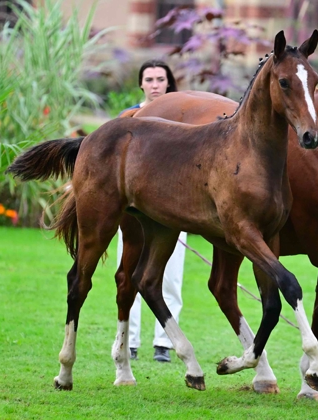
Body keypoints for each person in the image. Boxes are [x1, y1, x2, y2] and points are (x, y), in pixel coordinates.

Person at [117, 59, 186, 363]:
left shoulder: (183, 120)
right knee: (130, 272)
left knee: (170, 278)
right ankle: (129, 340)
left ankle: (163, 342)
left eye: (161, 79)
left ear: (169, 83)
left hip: (174, 209)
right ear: (141, 84)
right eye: (150, 79)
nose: (156, 84)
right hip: (133, 211)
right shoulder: (128, 118)